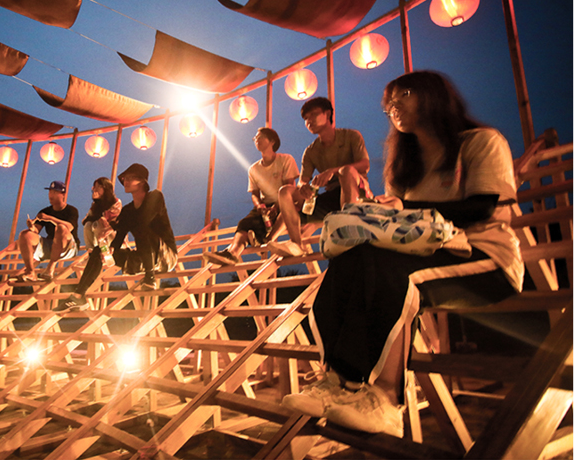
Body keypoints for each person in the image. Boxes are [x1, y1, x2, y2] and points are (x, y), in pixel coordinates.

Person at [282, 71, 524, 438]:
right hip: (425, 253)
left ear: (436, 95)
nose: (393, 104)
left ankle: (385, 401)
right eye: (388, 101)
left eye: (404, 93)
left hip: (484, 256)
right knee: (351, 257)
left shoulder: (480, 142)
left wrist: (407, 205)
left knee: (396, 273)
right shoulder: (403, 167)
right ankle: (338, 381)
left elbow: (482, 208)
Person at [55, 164, 177, 312]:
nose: (125, 181)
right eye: (125, 178)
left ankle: (150, 278)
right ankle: (78, 296)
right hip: (143, 259)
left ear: (142, 181)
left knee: (142, 227)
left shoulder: (155, 196)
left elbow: (143, 223)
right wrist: (111, 250)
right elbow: (120, 235)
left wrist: (117, 224)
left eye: (130, 178)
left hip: (165, 256)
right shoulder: (128, 209)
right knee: (98, 251)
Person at [269, 97, 372, 258]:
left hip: (359, 193)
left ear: (328, 114)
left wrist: (333, 171)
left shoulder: (350, 136)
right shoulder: (311, 151)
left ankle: (347, 230)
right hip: (331, 198)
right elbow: (303, 180)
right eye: (306, 118)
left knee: (346, 171)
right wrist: (304, 187)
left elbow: (365, 165)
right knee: (285, 192)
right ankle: (296, 243)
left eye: (314, 115)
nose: (309, 121)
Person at [203, 127, 298, 265]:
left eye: (260, 137)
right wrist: (260, 206)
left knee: (285, 211)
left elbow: (290, 186)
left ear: (272, 141)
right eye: (255, 138)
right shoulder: (254, 169)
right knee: (245, 223)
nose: (256, 140)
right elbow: (254, 194)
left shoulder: (286, 160)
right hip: (265, 206)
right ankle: (232, 253)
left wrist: (277, 207)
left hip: (285, 203)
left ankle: (266, 240)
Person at [12, 181, 80, 284]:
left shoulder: (71, 210)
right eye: (50, 192)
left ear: (62, 194)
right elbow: (36, 231)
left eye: (54, 192)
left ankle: (50, 268)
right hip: (51, 246)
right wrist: (31, 227)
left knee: (61, 228)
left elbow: (70, 227)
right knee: (24, 234)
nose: (50, 195)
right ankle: (30, 272)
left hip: (68, 247)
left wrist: (49, 219)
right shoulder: (45, 211)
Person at [81, 177, 122, 251]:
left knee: (98, 224)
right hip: (98, 237)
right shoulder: (95, 204)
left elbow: (109, 220)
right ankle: (91, 251)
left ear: (106, 188)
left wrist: (98, 216)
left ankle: (105, 251)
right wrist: (96, 202)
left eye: (98, 187)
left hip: (111, 234)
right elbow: (85, 220)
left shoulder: (116, 202)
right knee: (88, 225)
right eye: (94, 187)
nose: (95, 189)